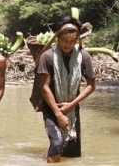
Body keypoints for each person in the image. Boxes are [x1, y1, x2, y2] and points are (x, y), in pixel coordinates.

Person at [31, 16, 96, 163]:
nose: (68, 45)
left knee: (71, 154)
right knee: (56, 143)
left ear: (77, 40)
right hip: (51, 107)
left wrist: (71, 105)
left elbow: (91, 85)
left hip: (72, 108)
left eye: (72, 41)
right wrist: (58, 114)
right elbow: (44, 87)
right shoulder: (47, 56)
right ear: (58, 37)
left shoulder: (83, 57)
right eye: (64, 40)